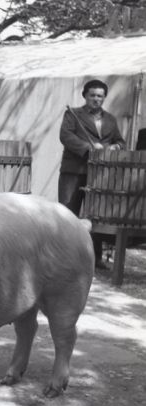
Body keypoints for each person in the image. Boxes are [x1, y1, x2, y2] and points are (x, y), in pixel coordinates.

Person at [58, 79, 125, 270]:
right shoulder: (72, 114)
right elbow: (66, 136)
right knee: (68, 212)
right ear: (85, 96)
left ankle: (94, 258)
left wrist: (115, 147)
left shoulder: (110, 119)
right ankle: (65, 256)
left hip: (99, 174)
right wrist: (89, 147)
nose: (96, 99)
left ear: (104, 98)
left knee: (95, 215)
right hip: (74, 171)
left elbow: (120, 141)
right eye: (93, 95)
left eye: (100, 96)